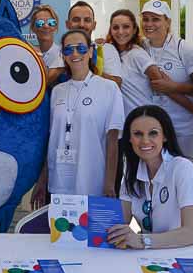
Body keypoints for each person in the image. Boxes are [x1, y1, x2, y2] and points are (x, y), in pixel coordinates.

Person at [31, 29, 124, 208]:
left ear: (90, 51)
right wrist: (42, 181)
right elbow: (53, 140)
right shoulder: (57, 91)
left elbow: (113, 140)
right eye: (68, 49)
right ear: (63, 55)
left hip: (93, 182)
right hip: (59, 183)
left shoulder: (109, 88)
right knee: (61, 226)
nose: (74, 54)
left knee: (92, 227)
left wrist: (109, 183)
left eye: (80, 48)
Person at [107, 105, 193, 249]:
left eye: (153, 133)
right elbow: (122, 222)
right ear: (129, 138)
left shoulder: (183, 169)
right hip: (153, 256)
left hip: (191, 254)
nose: (145, 141)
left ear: (165, 136)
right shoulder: (131, 174)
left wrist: (142, 241)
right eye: (138, 134)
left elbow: (191, 233)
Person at [141, 0, 193, 158]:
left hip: (183, 129)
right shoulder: (140, 48)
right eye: (146, 19)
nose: (149, 24)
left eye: (155, 19)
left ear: (167, 22)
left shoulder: (184, 49)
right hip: (153, 130)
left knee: (185, 169)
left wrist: (174, 87)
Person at [65, 1, 123, 87]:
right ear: (67, 24)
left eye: (87, 20)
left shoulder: (106, 49)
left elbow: (116, 84)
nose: (81, 25)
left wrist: (90, 69)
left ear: (94, 25)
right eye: (76, 20)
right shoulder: (60, 52)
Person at [29, 4, 63, 86]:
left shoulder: (62, 53)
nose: (46, 26)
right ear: (33, 28)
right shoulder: (29, 53)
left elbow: (44, 82)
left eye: (51, 22)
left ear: (55, 27)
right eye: (40, 23)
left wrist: (38, 55)